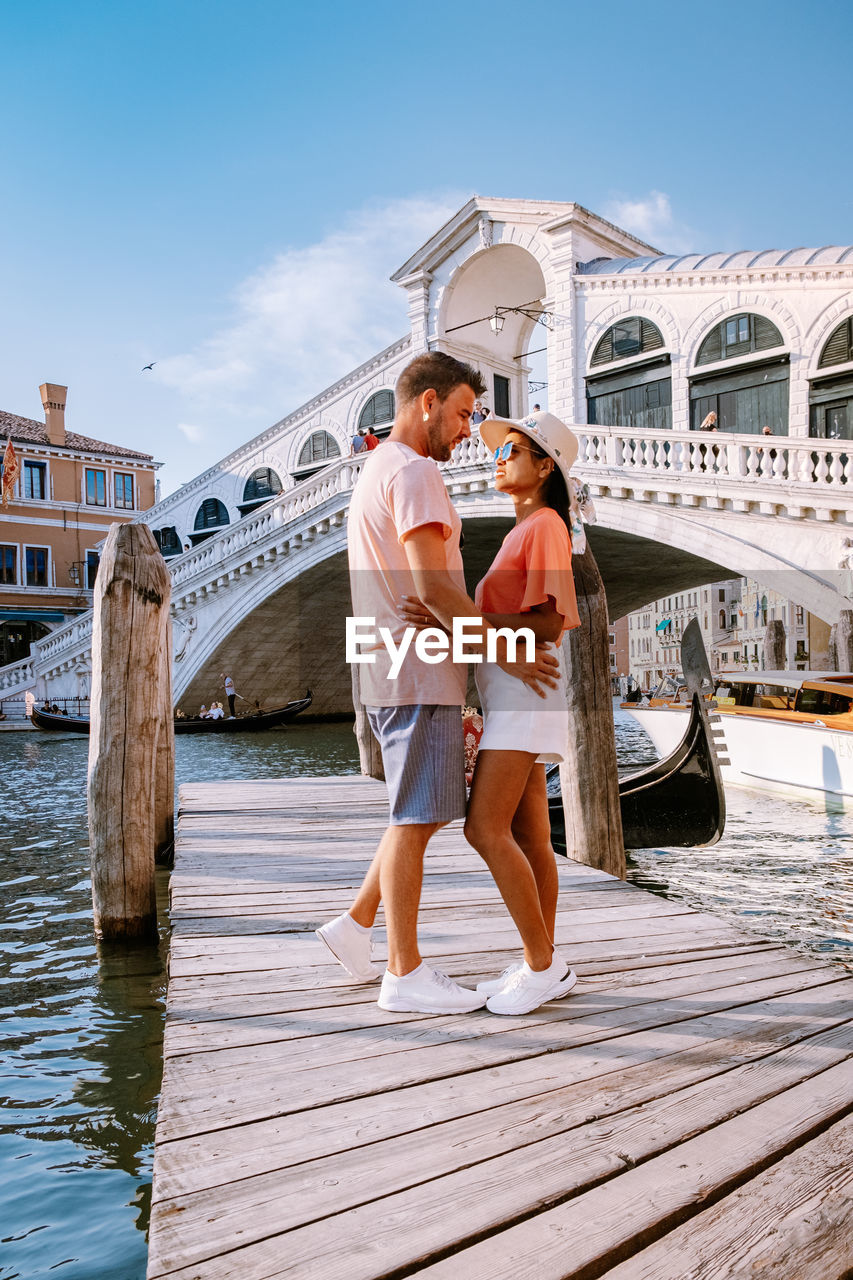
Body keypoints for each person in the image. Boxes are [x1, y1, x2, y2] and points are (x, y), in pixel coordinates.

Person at [315, 352, 559, 1016]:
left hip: (391, 665)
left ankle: (357, 928)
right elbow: (437, 592)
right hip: (417, 668)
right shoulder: (417, 472)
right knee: (417, 818)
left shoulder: (376, 472)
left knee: (416, 811)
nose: (463, 430)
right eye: (459, 413)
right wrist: (507, 649)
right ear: (426, 403)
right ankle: (404, 972)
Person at [455, 411, 581, 1014]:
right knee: (532, 836)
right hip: (515, 689)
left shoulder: (546, 525)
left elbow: (552, 622)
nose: (497, 458)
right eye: (498, 451)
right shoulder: (525, 528)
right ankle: (545, 958)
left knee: (484, 829)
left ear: (544, 466)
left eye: (513, 452)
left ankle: (540, 963)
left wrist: (469, 622)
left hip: (524, 692)